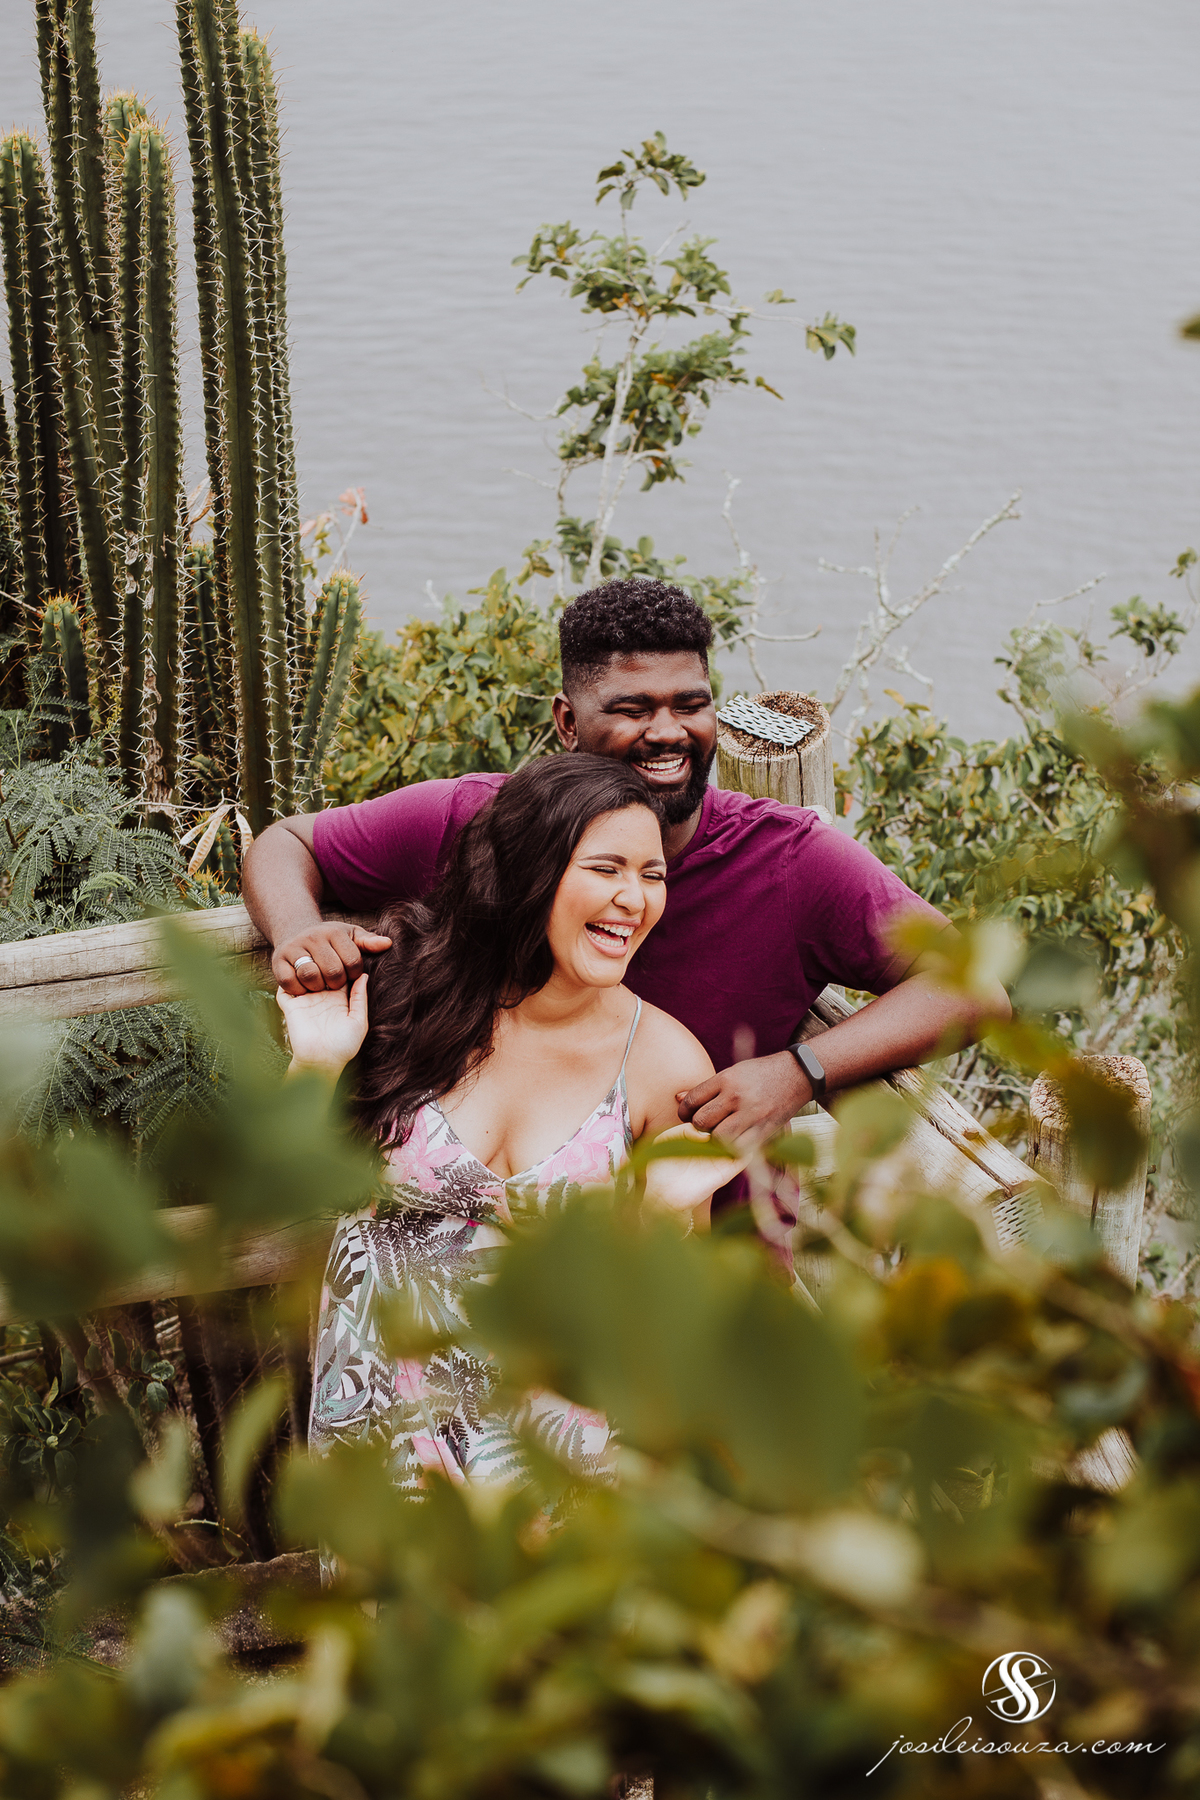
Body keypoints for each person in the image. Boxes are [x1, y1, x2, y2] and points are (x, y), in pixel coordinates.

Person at [247, 579, 1009, 1161]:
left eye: (691, 703)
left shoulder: (790, 863)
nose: (669, 732)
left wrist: (801, 1070)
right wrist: (301, 936)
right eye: (633, 708)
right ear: (567, 722)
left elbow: (974, 985)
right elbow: (287, 844)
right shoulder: (478, 821)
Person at [278, 756, 736, 1488]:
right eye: (607, 868)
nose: (634, 899)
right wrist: (318, 1061)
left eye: (652, 875)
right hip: (374, 1430)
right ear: (533, 869)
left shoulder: (663, 1065)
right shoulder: (408, 991)